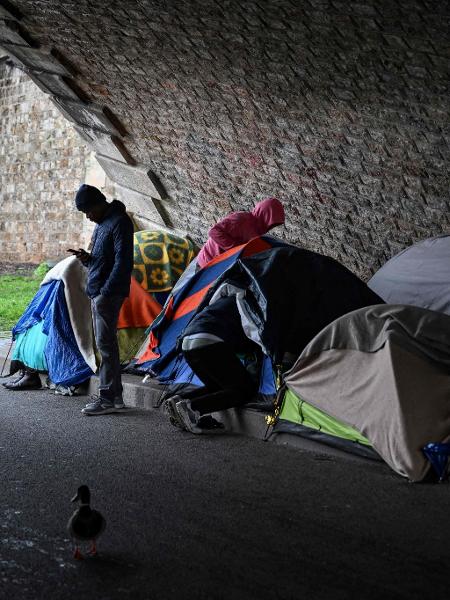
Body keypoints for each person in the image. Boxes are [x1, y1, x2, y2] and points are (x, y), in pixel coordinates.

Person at [165, 246, 385, 434]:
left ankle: (179, 402)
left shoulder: (235, 293)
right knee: (242, 391)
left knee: (219, 386)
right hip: (209, 340)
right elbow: (262, 340)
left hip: (189, 340)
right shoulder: (257, 306)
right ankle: (193, 407)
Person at [71, 184, 134, 415]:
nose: (88, 217)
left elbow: (123, 263)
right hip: (99, 292)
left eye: (88, 211)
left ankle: (107, 398)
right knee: (107, 346)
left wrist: (106, 293)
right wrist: (86, 258)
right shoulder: (102, 224)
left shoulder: (120, 222)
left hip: (107, 294)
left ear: (99, 204)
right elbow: (102, 261)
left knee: (105, 347)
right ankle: (115, 396)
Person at [196, 197, 285, 268]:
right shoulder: (240, 219)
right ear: (265, 215)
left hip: (221, 264)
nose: (271, 227)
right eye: (272, 223)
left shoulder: (258, 232)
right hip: (208, 262)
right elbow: (214, 232)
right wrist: (236, 248)